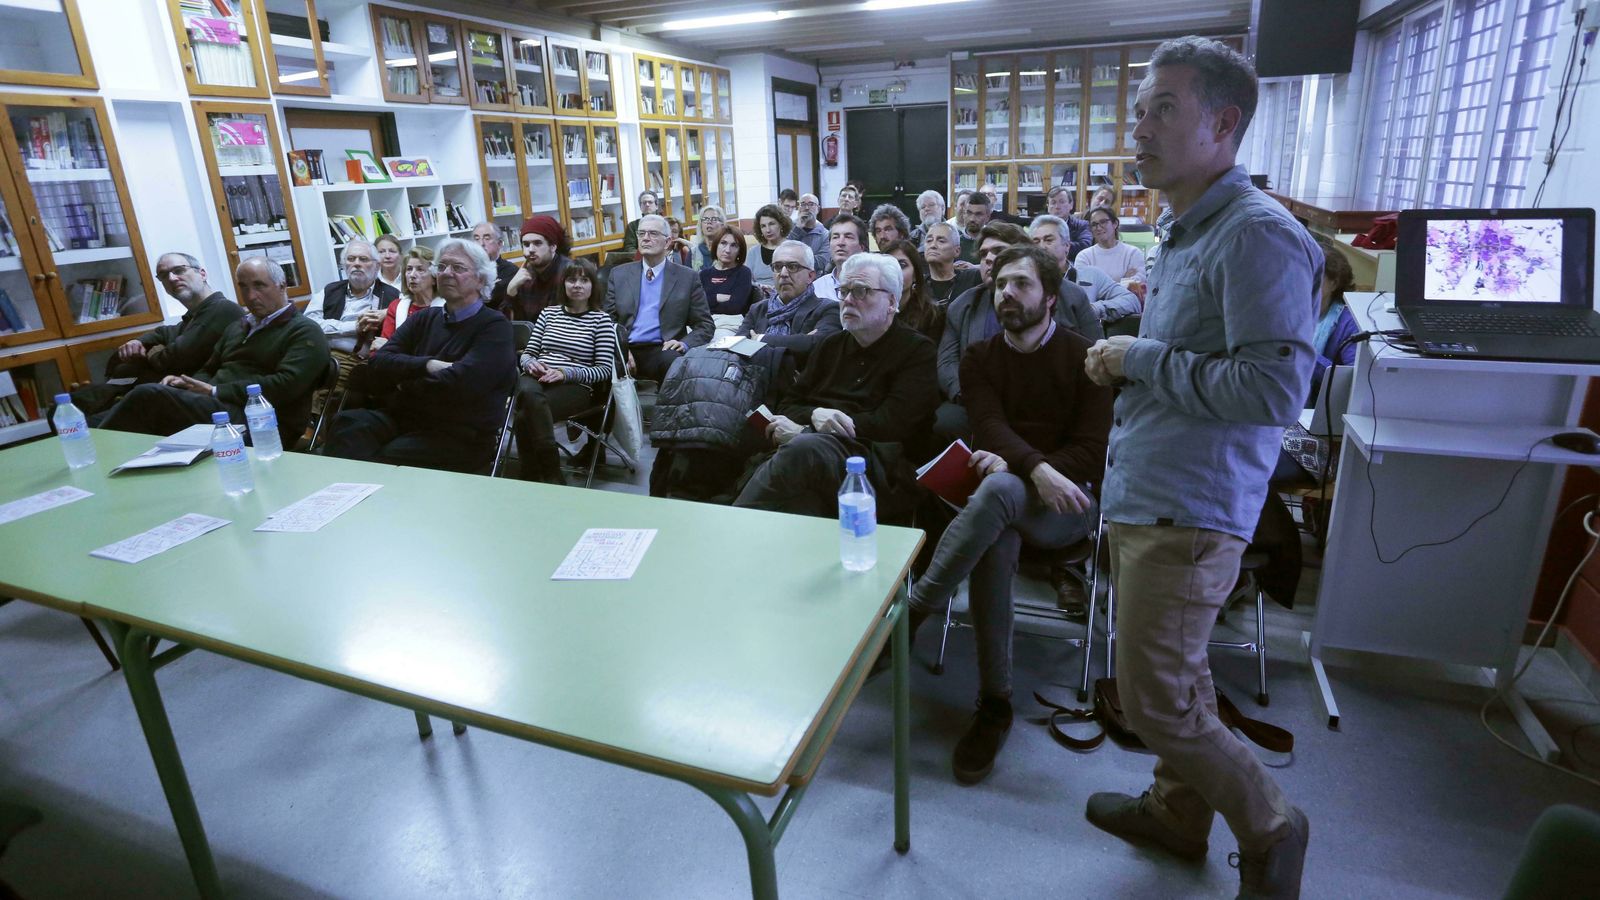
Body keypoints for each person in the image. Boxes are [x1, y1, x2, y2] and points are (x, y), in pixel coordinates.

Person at [1082, 36, 1314, 899]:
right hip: (1153, 488)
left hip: (1191, 504)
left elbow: (1271, 392)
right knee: (1180, 675)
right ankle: (1179, 813)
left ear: (1224, 123)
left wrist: (1136, 359)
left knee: (1153, 703)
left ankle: (1271, 826)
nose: (1138, 126)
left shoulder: (1257, 237)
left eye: (1162, 108)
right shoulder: (1185, 227)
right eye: (1139, 108)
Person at [905, 244, 1112, 784]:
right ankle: (995, 704)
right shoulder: (980, 358)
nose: (1006, 294)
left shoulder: (1085, 358)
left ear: (1051, 295)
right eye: (999, 284)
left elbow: (1093, 450)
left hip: (1067, 507)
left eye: (1021, 284)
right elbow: (988, 427)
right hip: (1008, 498)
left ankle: (914, 611)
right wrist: (1030, 469)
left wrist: (1035, 471)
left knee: (998, 489)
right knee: (997, 511)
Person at [733, 253, 938, 522]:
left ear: (891, 301)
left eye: (861, 291)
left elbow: (892, 425)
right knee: (799, 498)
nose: (848, 300)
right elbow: (789, 405)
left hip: (877, 464)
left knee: (803, 451)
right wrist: (815, 415)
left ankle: (729, 532)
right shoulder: (830, 346)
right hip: (812, 455)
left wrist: (808, 430)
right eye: (844, 291)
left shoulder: (917, 351)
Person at [327, 238, 515, 473]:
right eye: (442, 266)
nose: (446, 273)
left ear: (481, 279)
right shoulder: (425, 318)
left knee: (389, 457)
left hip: (460, 431)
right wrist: (428, 365)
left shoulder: (495, 327)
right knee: (348, 425)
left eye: (457, 268)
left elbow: (462, 385)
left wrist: (402, 382)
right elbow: (378, 363)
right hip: (407, 417)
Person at [99, 257, 329, 448]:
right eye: (243, 287)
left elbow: (285, 386)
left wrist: (216, 391)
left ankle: (98, 454)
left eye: (259, 286)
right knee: (137, 404)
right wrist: (187, 384)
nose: (250, 296)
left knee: (147, 397)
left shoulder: (304, 331)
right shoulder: (239, 326)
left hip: (262, 421)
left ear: (282, 286)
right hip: (220, 408)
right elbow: (210, 368)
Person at [936, 221, 1103, 446]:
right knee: (946, 420)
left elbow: (1094, 350)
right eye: (984, 253)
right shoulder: (963, 305)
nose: (988, 259)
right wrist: (970, 394)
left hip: (1054, 397)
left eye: (999, 251)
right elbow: (947, 361)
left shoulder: (1071, 296)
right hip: (978, 399)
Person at [68, 252, 245, 422]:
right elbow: (164, 332)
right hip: (162, 390)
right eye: (163, 275)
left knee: (86, 423)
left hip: (189, 397)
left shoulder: (222, 310)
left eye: (179, 270)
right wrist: (138, 341)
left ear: (202, 274)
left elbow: (175, 358)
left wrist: (153, 352)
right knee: (69, 407)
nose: (172, 278)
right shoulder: (194, 315)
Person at [514, 257, 614, 485]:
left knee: (524, 413)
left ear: (592, 286)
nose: (577, 285)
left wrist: (565, 373)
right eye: (571, 280)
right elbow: (528, 353)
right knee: (529, 394)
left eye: (584, 280)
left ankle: (531, 473)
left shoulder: (601, 321)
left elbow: (604, 370)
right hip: (535, 378)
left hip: (574, 386)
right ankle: (551, 474)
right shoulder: (548, 314)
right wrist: (530, 364)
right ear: (564, 284)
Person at [604, 214, 714, 382]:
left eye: (653, 234)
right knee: (602, 366)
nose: (645, 239)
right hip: (626, 347)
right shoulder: (619, 274)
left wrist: (684, 344)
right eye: (641, 234)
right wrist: (620, 350)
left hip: (663, 348)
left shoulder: (687, 277)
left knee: (673, 364)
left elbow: (705, 325)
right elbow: (607, 321)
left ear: (668, 242)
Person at [307, 240, 400, 406]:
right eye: (351, 259)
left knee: (327, 392)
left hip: (357, 359)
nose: (356, 264)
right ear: (344, 265)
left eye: (363, 259)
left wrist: (385, 314)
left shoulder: (392, 296)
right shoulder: (329, 290)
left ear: (377, 266)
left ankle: (315, 429)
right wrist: (353, 327)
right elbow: (309, 326)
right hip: (320, 354)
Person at [736, 240, 841, 363]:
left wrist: (760, 339)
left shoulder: (828, 309)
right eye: (778, 267)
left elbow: (819, 345)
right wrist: (800, 343)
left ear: (811, 276)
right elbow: (737, 347)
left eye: (793, 267)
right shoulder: (758, 309)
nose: (783, 274)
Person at [1030, 215, 1142, 325]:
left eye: (1048, 240)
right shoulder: (1024, 281)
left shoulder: (1090, 276)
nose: (1041, 247)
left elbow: (1132, 301)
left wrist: (1092, 309)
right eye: (1036, 242)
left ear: (1067, 246)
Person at [369, 246, 437, 355]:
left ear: (434, 278)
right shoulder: (396, 306)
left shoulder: (447, 307)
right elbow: (376, 351)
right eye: (409, 269)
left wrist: (391, 347)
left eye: (420, 269)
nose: (412, 275)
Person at [504, 215, 571, 321]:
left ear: (553, 246)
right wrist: (511, 291)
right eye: (526, 244)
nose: (530, 250)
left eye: (537, 243)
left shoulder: (569, 273)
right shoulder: (524, 273)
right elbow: (508, 325)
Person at [881, 239, 943, 345]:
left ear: (915, 275)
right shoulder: (869, 310)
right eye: (888, 265)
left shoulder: (932, 315)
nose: (895, 271)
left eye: (902, 265)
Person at [1076, 205, 1149, 282]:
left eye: (1103, 222)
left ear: (1115, 223)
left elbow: (1136, 288)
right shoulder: (1084, 257)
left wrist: (1098, 284)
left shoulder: (1133, 253)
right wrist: (1123, 280)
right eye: (1094, 224)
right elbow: (1085, 289)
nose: (1099, 228)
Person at [700, 224, 757, 317]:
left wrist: (709, 300)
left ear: (740, 250)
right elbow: (697, 305)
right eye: (723, 243)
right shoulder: (703, 274)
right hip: (704, 322)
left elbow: (735, 308)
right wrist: (717, 297)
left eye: (734, 245)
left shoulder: (744, 273)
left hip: (730, 323)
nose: (727, 250)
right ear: (716, 245)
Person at [811, 214, 868, 302]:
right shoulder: (816, 288)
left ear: (862, 247)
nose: (840, 243)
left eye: (848, 237)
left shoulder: (874, 286)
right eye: (835, 237)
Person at [923, 222, 983, 305]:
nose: (932, 245)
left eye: (941, 241)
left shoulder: (973, 279)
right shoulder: (918, 286)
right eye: (929, 241)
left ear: (957, 251)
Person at [471, 222, 519, 315]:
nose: (481, 244)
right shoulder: (468, 269)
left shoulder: (510, 271)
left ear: (500, 243)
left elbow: (493, 299)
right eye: (476, 239)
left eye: (487, 238)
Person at [749, 204, 793, 288]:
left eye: (771, 224)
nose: (768, 230)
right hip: (759, 296)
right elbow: (748, 281)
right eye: (763, 226)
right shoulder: (753, 252)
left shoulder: (793, 249)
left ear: (781, 224)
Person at [1046, 185, 1093, 260]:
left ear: (1071, 205)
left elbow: (1085, 246)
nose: (1057, 206)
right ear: (1048, 207)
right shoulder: (1041, 227)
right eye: (1053, 202)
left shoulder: (1082, 225)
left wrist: (1055, 246)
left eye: (1062, 202)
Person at [788, 193, 829, 267]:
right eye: (803, 204)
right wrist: (797, 229)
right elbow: (784, 249)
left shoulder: (825, 234)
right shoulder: (789, 226)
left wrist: (795, 262)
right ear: (799, 208)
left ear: (818, 209)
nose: (807, 208)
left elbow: (822, 261)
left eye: (811, 204)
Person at [958, 189, 994, 263]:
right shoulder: (954, 242)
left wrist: (975, 268)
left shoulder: (994, 242)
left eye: (978, 214)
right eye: (969, 213)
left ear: (988, 216)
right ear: (963, 214)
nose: (972, 219)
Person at [689, 205, 726, 270]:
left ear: (722, 225)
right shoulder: (692, 253)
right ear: (701, 226)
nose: (709, 222)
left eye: (714, 219)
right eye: (705, 219)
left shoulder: (727, 251)